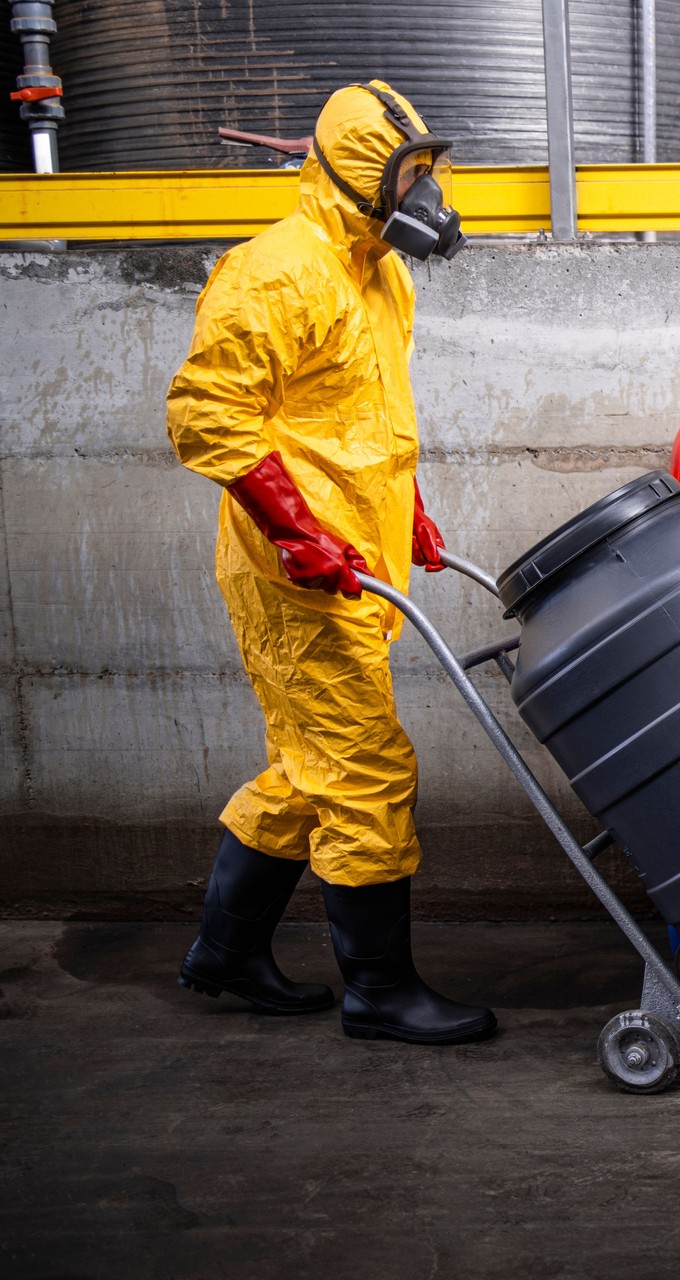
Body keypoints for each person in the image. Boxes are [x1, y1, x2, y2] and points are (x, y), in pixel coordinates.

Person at [167, 81, 493, 1045]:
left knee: (307, 768)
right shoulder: (275, 272)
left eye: (430, 172)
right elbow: (207, 416)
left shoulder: (381, 272)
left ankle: (223, 956)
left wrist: (412, 512)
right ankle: (379, 991)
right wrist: (296, 530)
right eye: (409, 174)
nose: (427, 194)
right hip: (295, 573)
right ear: (359, 174)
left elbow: (369, 417)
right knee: (365, 770)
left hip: (362, 549)